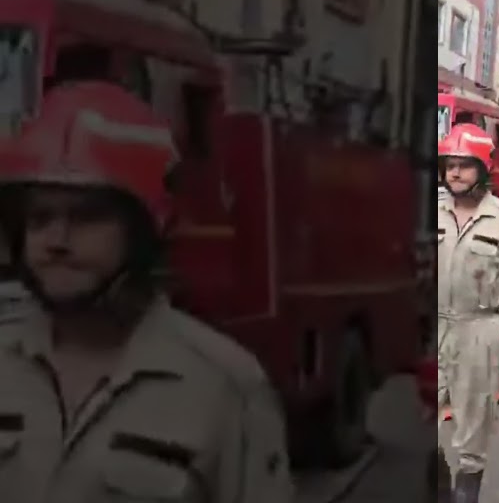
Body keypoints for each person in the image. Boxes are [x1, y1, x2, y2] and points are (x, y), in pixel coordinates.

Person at [0, 81, 291, 502]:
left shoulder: (226, 386)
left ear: (145, 230)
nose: (56, 240)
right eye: (40, 218)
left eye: (87, 217)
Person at [437, 123, 499, 502]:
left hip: (479, 333)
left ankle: (465, 494)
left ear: (483, 169)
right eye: (449, 165)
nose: (455, 173)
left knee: (473, 430)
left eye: (464, 165)